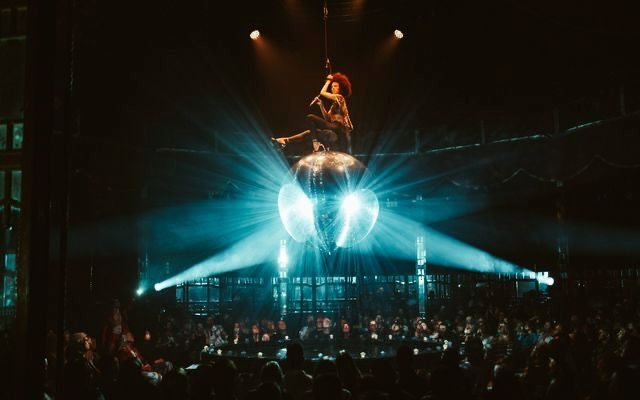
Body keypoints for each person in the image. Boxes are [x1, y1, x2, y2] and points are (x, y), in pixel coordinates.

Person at [273, 73, 354, 153]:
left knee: (310, 117)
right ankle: (285, 140)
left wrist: (328, 81)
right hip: (333, 130)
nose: (332, 88)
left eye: (335, 86)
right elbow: (327, 119)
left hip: (338, 128)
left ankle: (315, 143)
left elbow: (322, 92)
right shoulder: (334, 105)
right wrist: (321, 105)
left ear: (341, 88)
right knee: (309, 133)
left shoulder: (340, 98)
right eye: (332, 86)